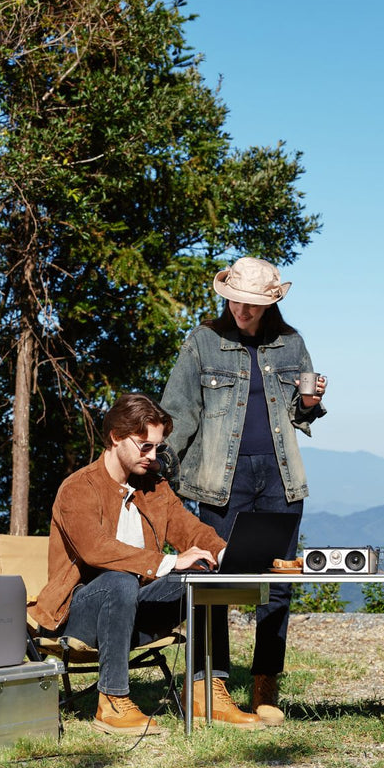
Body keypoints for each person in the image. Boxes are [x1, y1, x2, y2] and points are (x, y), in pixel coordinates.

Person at [33, 392, 264, 735]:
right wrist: (168, 561)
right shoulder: (79, 488)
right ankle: (111, 701)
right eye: (144, 446)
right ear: (115, 437)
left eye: (158, 447)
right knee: (120, 579)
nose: (153, 456)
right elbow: (95, 549)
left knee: (205, 577)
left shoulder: (152, 487)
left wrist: (229, 556)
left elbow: (190, 530)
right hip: (79, 615)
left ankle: (204, 694)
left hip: (134, 610)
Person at [161, 256, 327, 727]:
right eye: (235, 299)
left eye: (251, 303)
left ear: (269, 303)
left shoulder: (292, 344)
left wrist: (312, 404)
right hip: (219, 481)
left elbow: (300, 415)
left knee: (278, 584)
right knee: (214, 582)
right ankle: (212, 686)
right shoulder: (202, 343)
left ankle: (265, 685)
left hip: (280, 480)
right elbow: (179, 414)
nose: (241, 309)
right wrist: (158, 471)